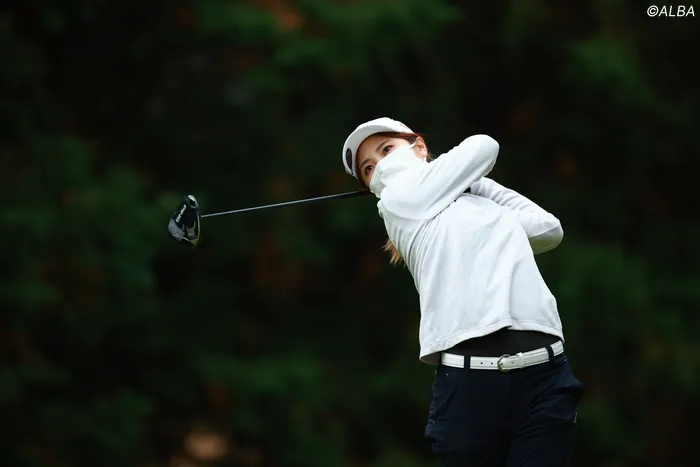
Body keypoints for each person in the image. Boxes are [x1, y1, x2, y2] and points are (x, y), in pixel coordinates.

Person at [341, 117, 584, 467]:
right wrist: (462, 174)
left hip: (545, 378)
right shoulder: (397, 202)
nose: (380, 166)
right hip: (472, 389)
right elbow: (484, 146)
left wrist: (474, 183)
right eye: (368, 168)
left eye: (386, 149)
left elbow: (548, 229)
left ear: (419, 147)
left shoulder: (480, 206)